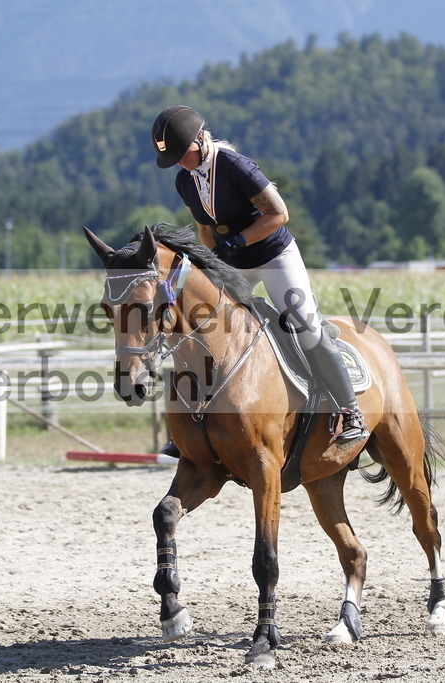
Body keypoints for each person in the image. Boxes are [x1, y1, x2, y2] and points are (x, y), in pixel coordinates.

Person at [151, 105, 368, 452]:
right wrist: (214, 261)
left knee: (304, 323)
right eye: (174, 158)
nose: (180, 162)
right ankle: (195, 421)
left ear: (200, 139)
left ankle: (351, 410)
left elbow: (279, 214)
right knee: (207, 325)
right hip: (235, 261)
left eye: (183, 154)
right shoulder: (185, 180)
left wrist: (237, 241)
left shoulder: (236, 166)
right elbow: (205, 228)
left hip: (274, 257)